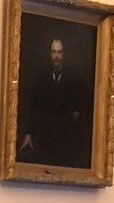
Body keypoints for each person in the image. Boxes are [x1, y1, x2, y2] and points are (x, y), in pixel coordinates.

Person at [18, 38, 90, 169]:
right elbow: (34, 106)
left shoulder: (72, 77)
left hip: (66, 137)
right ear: (50, 54)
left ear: (64, 54)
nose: (56, 56)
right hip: (45, 136)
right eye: (54, 52)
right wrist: (29, 133)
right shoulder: (42, 77)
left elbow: (83, 101)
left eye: (59, 52)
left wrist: (76, 112)